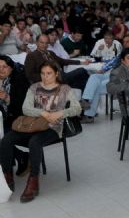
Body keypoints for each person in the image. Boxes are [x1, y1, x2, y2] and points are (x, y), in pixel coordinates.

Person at [1, 61, 81, 202]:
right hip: (33, 124)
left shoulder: (64, 89)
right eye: (43, 73)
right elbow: (26, 108)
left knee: (35, 141)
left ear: (56, 73)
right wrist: (44, 113)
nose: (45, 77)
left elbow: (77, 108)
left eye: (49, 73)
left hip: (54, 127)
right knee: (6, 140)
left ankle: (33, 181)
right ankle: (7, 177)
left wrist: (60, 113)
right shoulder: (34, 87)